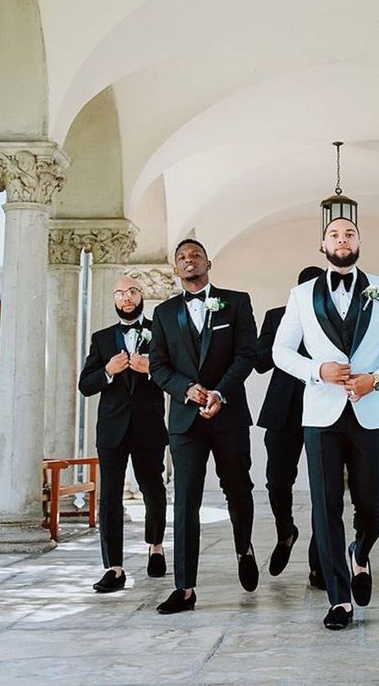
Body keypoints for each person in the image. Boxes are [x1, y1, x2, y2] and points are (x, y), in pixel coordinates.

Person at [273, 217, 379, 629]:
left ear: (360, 241)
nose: (341, 239)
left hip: (369, 410)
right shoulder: (300, 295)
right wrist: (318, 370)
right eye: (334, 234)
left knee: (373, 505)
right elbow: (282, 352)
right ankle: (338, 600)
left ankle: (361, 551)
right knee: (326, 504)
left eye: (349, 233)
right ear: (322, 244)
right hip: (321, 414)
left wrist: (378, 379)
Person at [149, 239, 258, 613]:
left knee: (238, 489)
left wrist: (220, 393)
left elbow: (247, 354)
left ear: (208, 262)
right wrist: (188, 390)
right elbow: (159, 367)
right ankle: (185, 588)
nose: (188, 260)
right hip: (184, 421)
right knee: (186, 501)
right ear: (176, 270)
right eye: (181, 257)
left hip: (228, 415)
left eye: (195, 254)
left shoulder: (237, 302)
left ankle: (244, 547)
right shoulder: (163, 314)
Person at [78, 275, 168, 592]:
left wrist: (152, 369)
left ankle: (155, 546)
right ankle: (113, 568)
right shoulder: (101, 339)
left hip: (149, 426)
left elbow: (178, 374)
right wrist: (107, 371)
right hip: (112, 429)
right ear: (114, 300)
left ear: (141, 295)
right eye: (119, 293)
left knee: (153, 489)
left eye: (131, 291)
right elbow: (85, 385)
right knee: (111, 498)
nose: (125, 298)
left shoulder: (161, 332)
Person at [256, 265, 326, 588]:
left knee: (323, 490)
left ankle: (319, 566)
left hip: (323, 410)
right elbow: (259, 362)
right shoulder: (276, 316)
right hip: (283, 411)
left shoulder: (334, 318)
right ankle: (286, 531)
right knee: (276, 482)